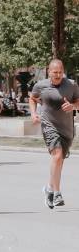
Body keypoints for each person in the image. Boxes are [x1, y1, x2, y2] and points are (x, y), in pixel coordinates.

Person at [30, 58, 79, 209]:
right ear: (49, 71)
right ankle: (57, 193)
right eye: (54, 72)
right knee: (57, 155)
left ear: (63, 71)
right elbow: (32, 98)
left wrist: (73, 106)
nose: (57, 75)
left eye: (60, 72)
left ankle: (49, 188)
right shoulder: (41, 86)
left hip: (67, 128)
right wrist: (33, 114)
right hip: (49, 125)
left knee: (59, 161)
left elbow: (78, 101)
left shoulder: (71, 85)